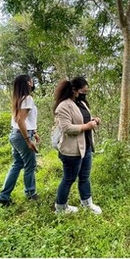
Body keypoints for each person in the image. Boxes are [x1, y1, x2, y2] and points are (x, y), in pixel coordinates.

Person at [53, 77, 102, 214]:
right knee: (69, 179)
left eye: (86, 91)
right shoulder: (63, 106)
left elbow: (82, 119)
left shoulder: (81, 103)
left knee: (85, 177)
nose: (84, 94)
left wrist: (93, 120)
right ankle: (61, 208)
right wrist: (87, 126)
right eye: (83, 91)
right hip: (71, 150)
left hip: (85, 147)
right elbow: (67, 128)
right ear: (73, 90)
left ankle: (87, 203)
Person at [0, 74, 38, 205]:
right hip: (22, 135)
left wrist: (34, 132)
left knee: (17, 164)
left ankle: (3, 197)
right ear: (28, 83)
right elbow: (20, 120)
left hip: (15, 134)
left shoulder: (19, 99)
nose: (33, 82)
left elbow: (25, 120)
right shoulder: (28, 98)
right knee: (30, 165)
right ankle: (31, 193)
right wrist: (28, 140)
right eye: (31, 80)